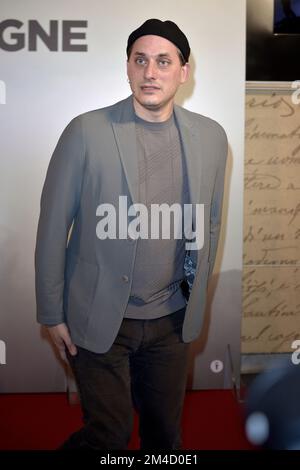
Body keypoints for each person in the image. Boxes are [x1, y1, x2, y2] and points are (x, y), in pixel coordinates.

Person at [35, 18, 228, 450]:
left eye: (163, 61)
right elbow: (52, 225)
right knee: (109, 435)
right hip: (99, 317)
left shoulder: (212, 138)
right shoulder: (85, 131)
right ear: (127, 67)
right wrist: (51, 312)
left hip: (172, 322)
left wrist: (195, 302)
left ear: (184, 70)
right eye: (140, 60)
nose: (150, 72)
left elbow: (209, 224)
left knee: (164, 435)